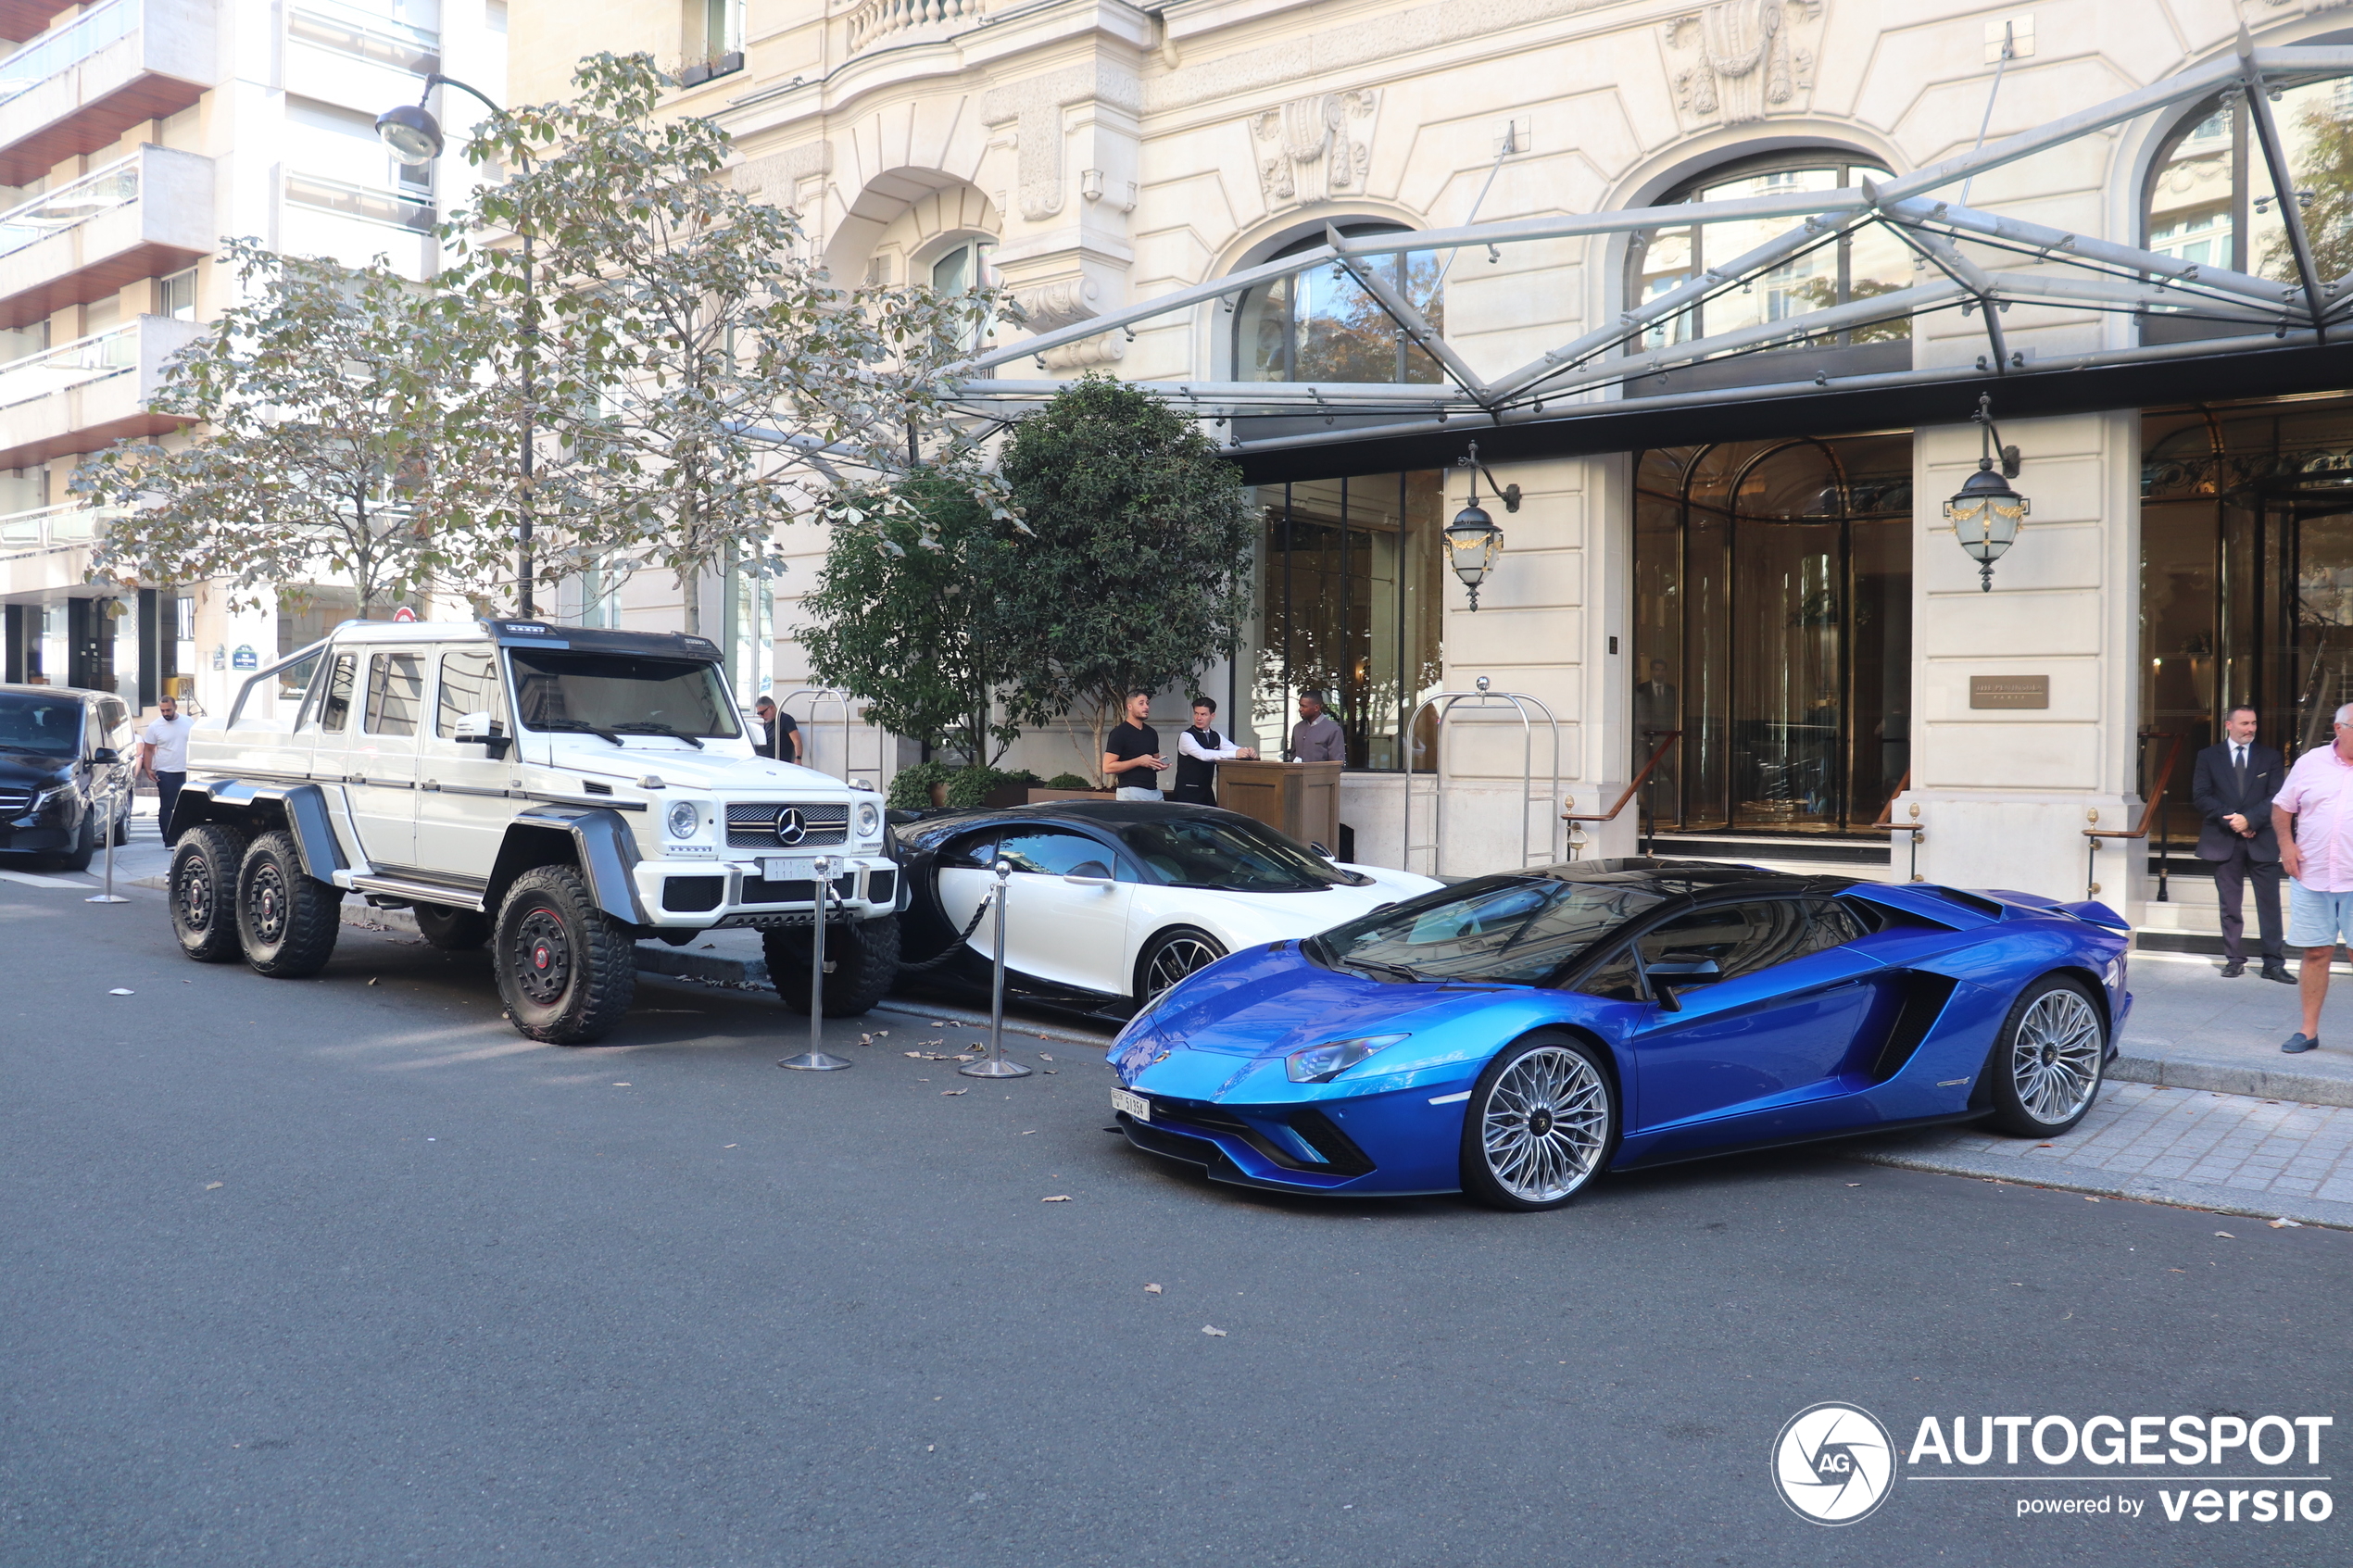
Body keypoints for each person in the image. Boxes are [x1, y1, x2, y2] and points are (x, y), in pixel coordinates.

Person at [2271, 701, 2353, 1052]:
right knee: (2316, 953)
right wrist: (2287, 846)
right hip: (2311, 875)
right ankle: (2308, 1031)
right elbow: (2281, 807)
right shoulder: (2310, 763)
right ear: (2340, 728)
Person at [2190, 705, 2290, 982]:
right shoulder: (2208, 756)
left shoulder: (2270, 757)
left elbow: (2277, 796)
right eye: (2245, 723)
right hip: (2224, 839)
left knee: (2269, 904)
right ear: (2228, 725)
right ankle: (2234, 959)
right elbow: (2200, 795)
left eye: (2254, 723)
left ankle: (2273, 963)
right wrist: (2232, 821)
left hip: (2262, 838)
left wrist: (2249, 820)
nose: (2251, 729)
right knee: (2230, 905)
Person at [1172, 696, 1255, 805]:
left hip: (1206, 791)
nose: (1198, 718)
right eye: (1196, 713)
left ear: (1212, 716)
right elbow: (1203, 754)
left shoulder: (1215, 736)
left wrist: (1247, 751)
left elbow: (1232, 748)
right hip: (1188, 793)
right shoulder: (1186, 736)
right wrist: (1236, 754)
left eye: (1203, 714)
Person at [137, 694, 194, 845]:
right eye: (162, 711)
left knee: (188, 807)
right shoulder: (155, 726)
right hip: (166, 771)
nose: (165, 714)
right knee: (167, 806)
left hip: (187, 770)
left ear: (175, 707)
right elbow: (149, 749)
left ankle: (186, 839)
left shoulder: (188, 722)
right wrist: (148, 769)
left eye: (168, 710)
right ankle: (168, 840)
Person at [1102, 689, 1170, 800]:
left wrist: (1161, 763)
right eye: (1141, 703)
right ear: (1129, 707)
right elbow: (1107, 767)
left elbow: (1154, 762)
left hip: (1154, 791)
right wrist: (1138, 761)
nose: (1146, 707)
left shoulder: (1151, 733)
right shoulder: (1119, 733)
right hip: (1131, 790)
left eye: (1147, 703)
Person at [1288, 689, 1345, 763]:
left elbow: (1337, 763)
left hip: (1322, 774)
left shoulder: (1333, 730)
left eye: (1304, 706)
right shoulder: (1297, 728)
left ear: (1316, 708)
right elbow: (1293, 757)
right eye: (1300, 705)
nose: (1300, 709)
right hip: (1299, 774)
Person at [752, 695, 801, 764]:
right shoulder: (767, 722)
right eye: (759, 713)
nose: (761, 716)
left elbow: (797, 740)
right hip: (765, 761)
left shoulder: (785, 719)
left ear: (771, 708)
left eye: (762, 713)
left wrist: (798, 758)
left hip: (780, 763)